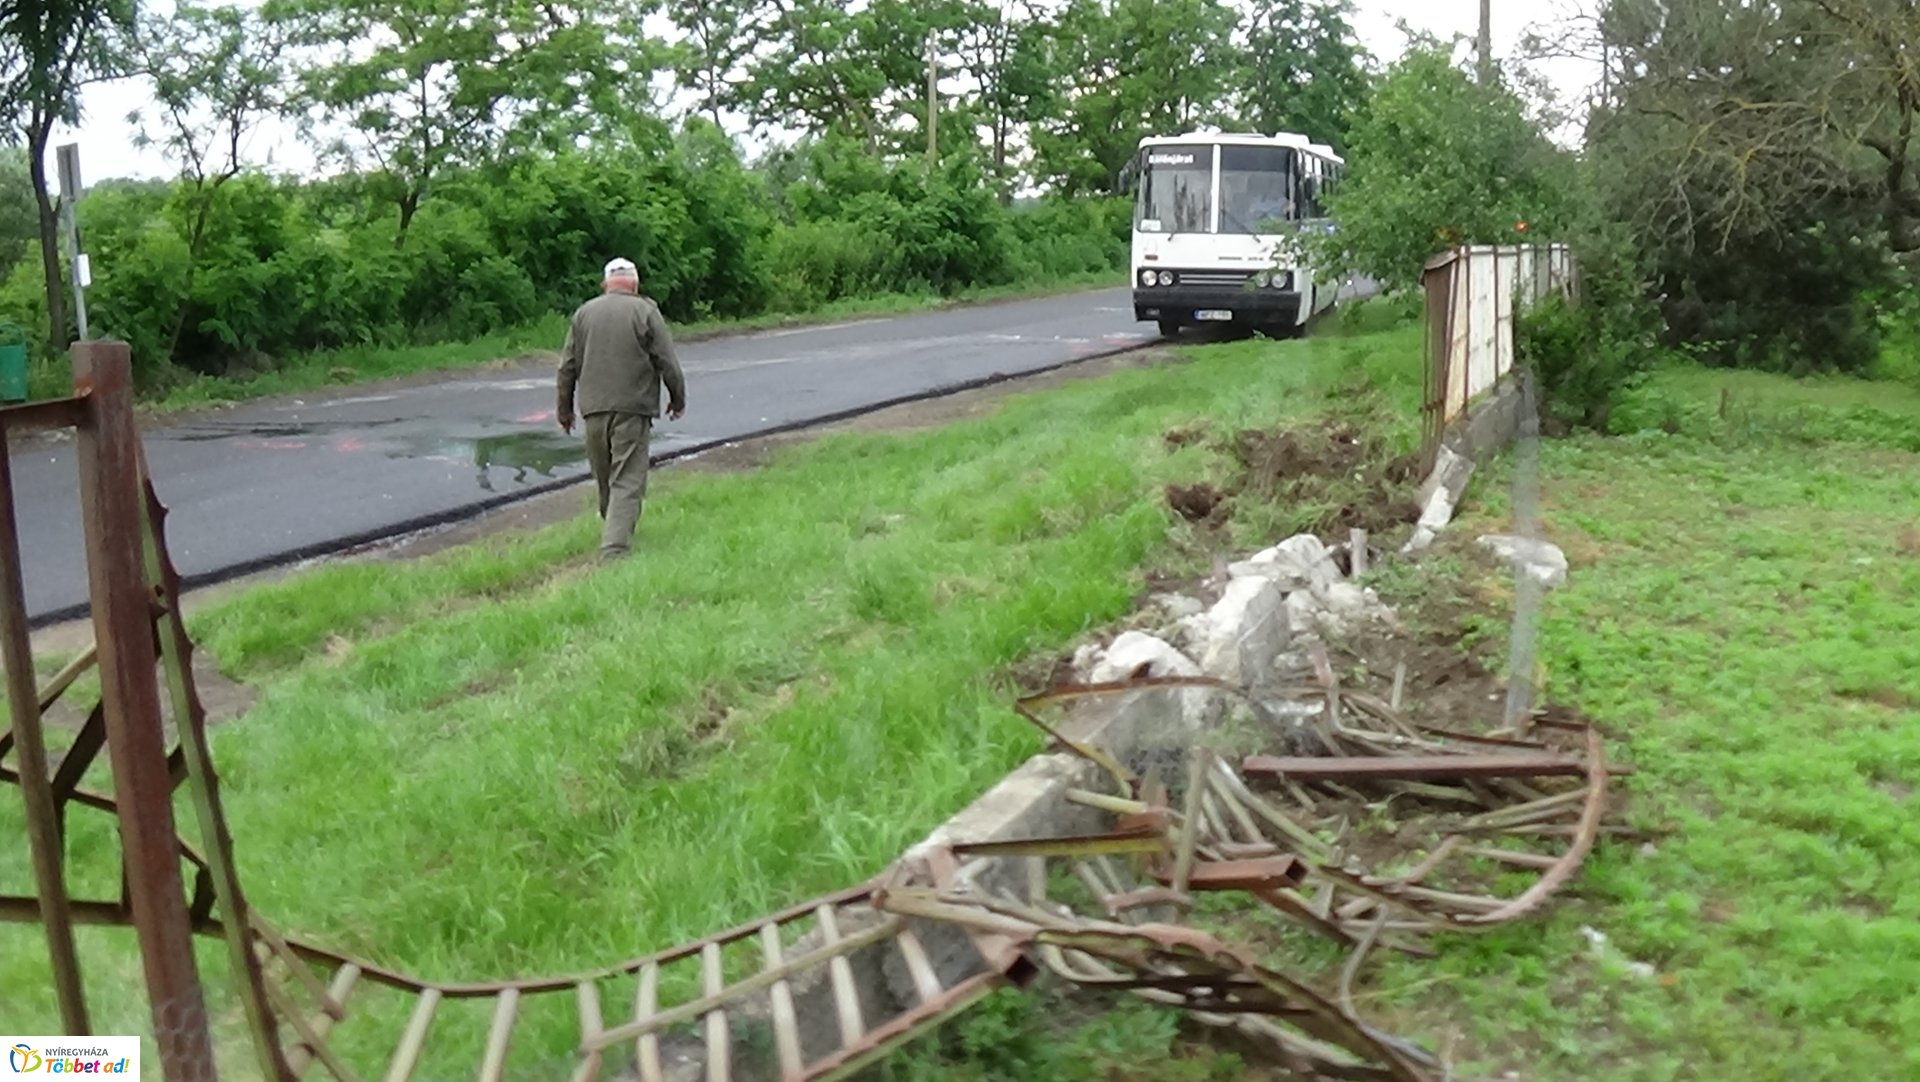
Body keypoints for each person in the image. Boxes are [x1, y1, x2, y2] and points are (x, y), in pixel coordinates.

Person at [556, 257, 687, 563]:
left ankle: (614, 530)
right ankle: (614, 550)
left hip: (593, 411)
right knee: (626, 478)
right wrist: (677, 398)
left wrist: (564, 409)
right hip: (633, 407)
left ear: (605, 284)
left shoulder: (583, 314)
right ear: (635, 283)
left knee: (605, 478)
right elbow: (667, 360)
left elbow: (567, 366)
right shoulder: (645, 311)